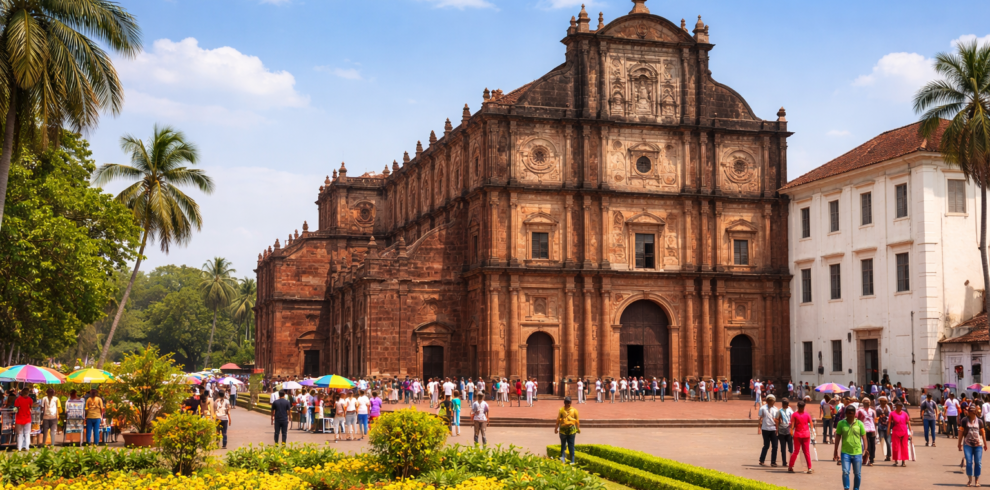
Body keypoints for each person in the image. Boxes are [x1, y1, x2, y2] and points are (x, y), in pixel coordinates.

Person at [834, 401, 868, 490]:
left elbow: (864, 437)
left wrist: (865, 449)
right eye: (848, 412)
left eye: (852, 412)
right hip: (845, 453)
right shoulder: (841, 423)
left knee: (857, 474)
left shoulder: (860, 424)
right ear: (845, 413)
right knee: (845, 472)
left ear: (855, 413)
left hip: (857, 452)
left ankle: (856, 488)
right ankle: (846, 488)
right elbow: (838, 437)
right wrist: (835, 450)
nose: (850, 414)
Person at [960, 403, 988, 487]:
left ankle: (977, 480)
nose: (970, 413)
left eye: (972, 411)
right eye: (969, 411)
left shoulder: (979, 421)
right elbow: (961, 432)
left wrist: (985, 444)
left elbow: (983, 433)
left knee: (978, 462)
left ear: (975, 412)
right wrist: (959, 444)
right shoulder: (964, 420)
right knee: (969, 462)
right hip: (967, 444)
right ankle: (970, 480)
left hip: (978, 445)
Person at [789, 399, 814, 473]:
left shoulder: (795, 414)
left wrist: (791, 432)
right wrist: (812, 433)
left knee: (796, 451)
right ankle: (809, 468)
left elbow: (792, 425)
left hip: (798, 435)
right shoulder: (806, 414)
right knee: (806, 452)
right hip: (806, 435)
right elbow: (811, 424)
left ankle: (791, 466)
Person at [555, 396, 580, 464]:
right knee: (563, 445)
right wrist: (556, 428)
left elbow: (577, 420)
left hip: (571, 430)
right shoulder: (561, 410)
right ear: (564, 403)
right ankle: (563, 458)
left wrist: (578, 428)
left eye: (569, 402)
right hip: (563, 430)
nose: (568, 404)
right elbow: (558, 420)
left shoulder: (574, 410)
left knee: (571, 446)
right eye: (567, 402)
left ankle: (572, 460)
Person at [888, 401, 913, 467]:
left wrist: (910, 431)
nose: (900, 408)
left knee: (904, 447)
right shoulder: (892, 413)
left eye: (901, 406)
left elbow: (908, 422)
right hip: (895, 431)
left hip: (904, 431)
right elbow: (890, 422)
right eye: (899, 406)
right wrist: (888, 431)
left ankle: (903, 461)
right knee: (895, 446)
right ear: (896, 407)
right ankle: (896, 461)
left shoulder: (905, 414)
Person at [758, 394, 780, 466]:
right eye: (770, 401)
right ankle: (762, 460)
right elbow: (760, 418)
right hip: (765, 428)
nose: (771, 402)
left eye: (772, 401)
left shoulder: (776, 409)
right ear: (767, 401)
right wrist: (759, 427)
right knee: (766, 445)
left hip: (773, 429)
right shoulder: (763, 408)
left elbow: (777, 419)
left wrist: (777, 428)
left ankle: (773, 461)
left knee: (775, 446)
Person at [856, 398, 877, 466]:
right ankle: (867, 459)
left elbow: (875, 420)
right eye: (865, 402)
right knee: (866, 445)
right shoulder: (860, 411)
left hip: (872, 429)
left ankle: (872, 458)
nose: (866, 403)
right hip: (864, 429)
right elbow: (857, 419)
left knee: (872, 445)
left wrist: (876, 428)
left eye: (868, 402)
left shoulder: (872, 411)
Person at [776, 398, 794, 464]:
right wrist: (777, 429)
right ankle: (784, 461)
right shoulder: (779, 411)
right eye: (784, 404)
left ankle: (791, 461)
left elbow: (793, 419)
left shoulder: (790, 411)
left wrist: (792, 428)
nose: (785, 406)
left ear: (787, 405)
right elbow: (777, 419)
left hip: (789, 430)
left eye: (786, 405)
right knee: (783, 447)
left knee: (790, 447)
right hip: (781, 430)